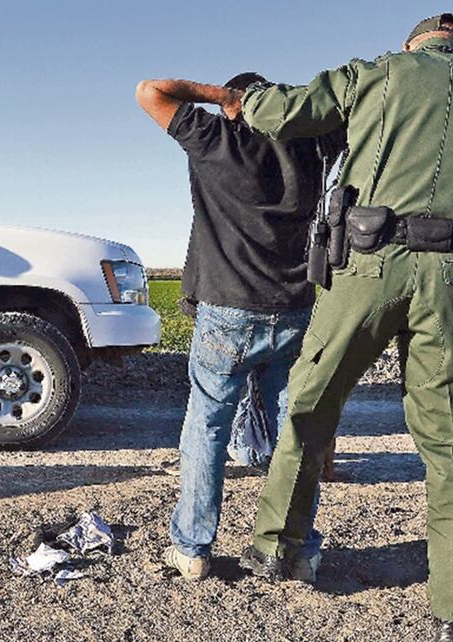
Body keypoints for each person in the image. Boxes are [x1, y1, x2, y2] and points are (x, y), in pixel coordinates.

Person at [233, 13, 453, 642]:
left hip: (368, 266)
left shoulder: (375, 74)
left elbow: (275, 113)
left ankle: (276, 547)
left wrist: (241, 99)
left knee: (312, 402)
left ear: (412, 44)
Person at [135, 74, 343, 583]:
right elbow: (350, 117)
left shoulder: (215, 140)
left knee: (207, 425)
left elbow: (150, 91)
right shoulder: (313, 149)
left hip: (226, 309)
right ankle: (296, 551)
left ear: (236, 107)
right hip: (294, 309)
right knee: (293, 431)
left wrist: (224, 100)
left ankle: (192, 548)